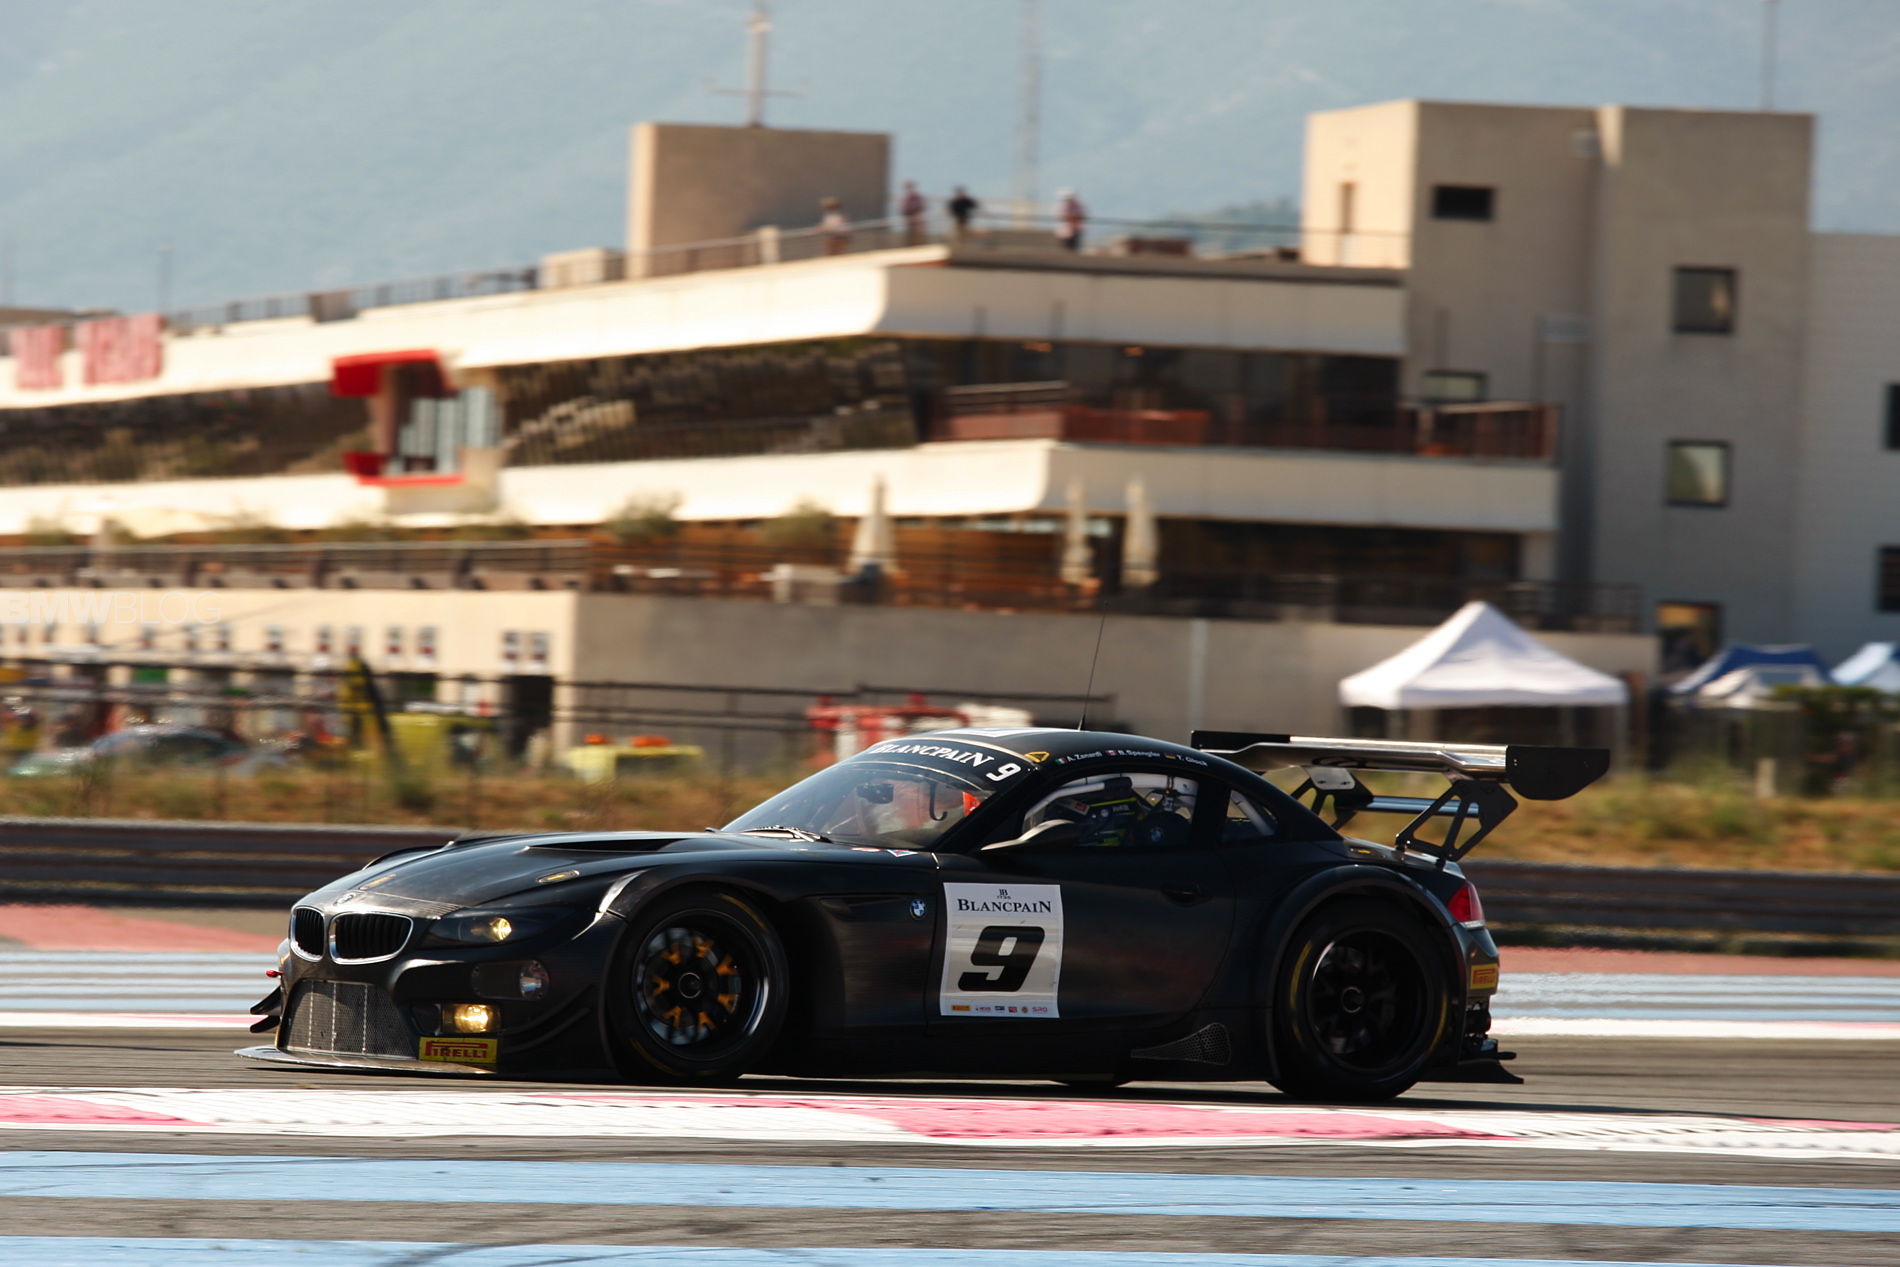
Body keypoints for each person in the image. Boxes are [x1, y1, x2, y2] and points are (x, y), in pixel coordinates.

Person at [1056, 188, 1087, 252]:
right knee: (1063, 247)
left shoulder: (1078, 206)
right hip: (1064, 232)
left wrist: (1072, 218)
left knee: (1074, 248)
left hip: (1076, 230)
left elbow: (1081, 216)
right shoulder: (1062, 206)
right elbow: (1060, 216)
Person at [899, 181, 928, 246]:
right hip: (909, 220)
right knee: (910, 235)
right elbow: (904, 209)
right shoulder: (906, 198)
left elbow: (920, 207)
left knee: (918, 234)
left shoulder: (917, 197)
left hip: (917, 220)